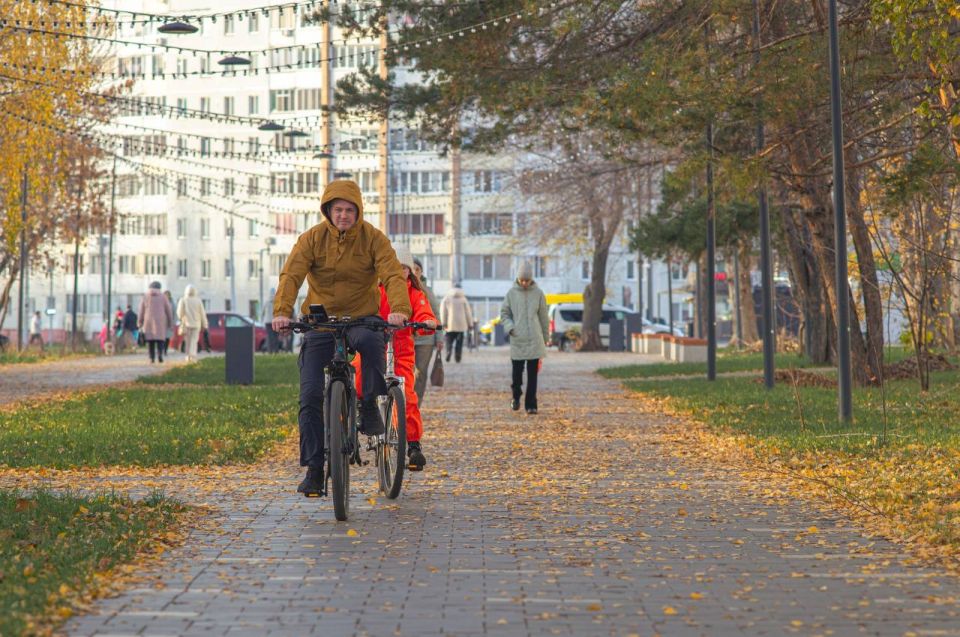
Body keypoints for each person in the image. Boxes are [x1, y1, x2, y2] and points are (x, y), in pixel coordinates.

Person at [272, 179, 411, 496]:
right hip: (321, 323)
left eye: (350, 210)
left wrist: (399, 309)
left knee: (372, 342)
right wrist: (282, 311)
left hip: (362, 317)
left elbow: (391, 273)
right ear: (328, 211)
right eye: (338, 210)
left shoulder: (373, 239)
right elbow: (291, 275)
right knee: (309, 395)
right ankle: (315, 468)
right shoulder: (312, 239)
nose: (344, 215)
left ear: (358, 211)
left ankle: (368, 405)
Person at [353, 247, 437, 470]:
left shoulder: (415, 294)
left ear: (410, 272)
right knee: (360, 372)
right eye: (393, 267)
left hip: (401, 352)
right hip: (375, 347)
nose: (399, 272)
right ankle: (363, 406)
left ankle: (413, 444)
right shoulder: (376, 290)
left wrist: (427, 322)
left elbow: (423, 312)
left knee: (408, 396)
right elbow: (361, 308)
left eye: (403, 268)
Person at [499, 262, 549, 415]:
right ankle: (516, 395)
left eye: (527, 280)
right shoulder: (511, 294)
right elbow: (504, 314)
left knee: (533, 375)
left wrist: (545, 338)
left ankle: (531, 405)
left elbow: (543, 317)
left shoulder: (538, 293)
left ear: (531, 279)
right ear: (518, 278)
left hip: (535, 338)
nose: (524, 283)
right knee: (517, 375)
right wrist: (510, 328)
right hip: (518, 338)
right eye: (522, 280)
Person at [411, 257, 443, 405]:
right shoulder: (400, 288)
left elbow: (436, 315)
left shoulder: (427, 291)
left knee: (420, 372)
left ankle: (417, 402)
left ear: (421, 272)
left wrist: (439, 338)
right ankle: (405, 400)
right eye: (412, 269)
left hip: (426, 340)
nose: (415, 272)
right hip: (407, 337)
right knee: (406, 371)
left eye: (417, 269)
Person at [138, 281, 174, 363]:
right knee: (160, 340)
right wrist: (170, 322)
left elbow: (141, 311)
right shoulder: (163, 297)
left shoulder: (145, 297)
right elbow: (168, 310)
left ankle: (152, 357)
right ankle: (160, 355)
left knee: (151, 341)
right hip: (160, 321)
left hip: (148, 321)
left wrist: (139, 322)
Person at [439, 282, 474, 363]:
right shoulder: (463, 299)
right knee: (459, 342)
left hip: (449, 324)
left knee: (449, 340)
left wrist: (443, 322)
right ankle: (458, 356)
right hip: (461, 325)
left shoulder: (446, 298)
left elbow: (443, 311)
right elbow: (468, 312)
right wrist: (470, 324)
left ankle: (448, 351)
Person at [176, 284, 208, 362]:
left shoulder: (183, 300)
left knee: (187, 341)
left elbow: (179, 313)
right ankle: (193, 356)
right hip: (196, 324)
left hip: (187, 324)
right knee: (194, 341)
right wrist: (205, 325)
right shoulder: (198, 301)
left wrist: (182, 317)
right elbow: (202, 314)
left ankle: (188, 356)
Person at [162, 290, 175, 358]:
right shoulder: (161, 302)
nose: (166, 296)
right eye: (165, 295)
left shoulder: (172, 303)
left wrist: (173, 322)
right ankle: (161, 350)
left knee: (167, 338)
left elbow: (174, 312)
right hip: (162, 322)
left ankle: (165, 351)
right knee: (162, 337)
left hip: (169, 322)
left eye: (167, 295)